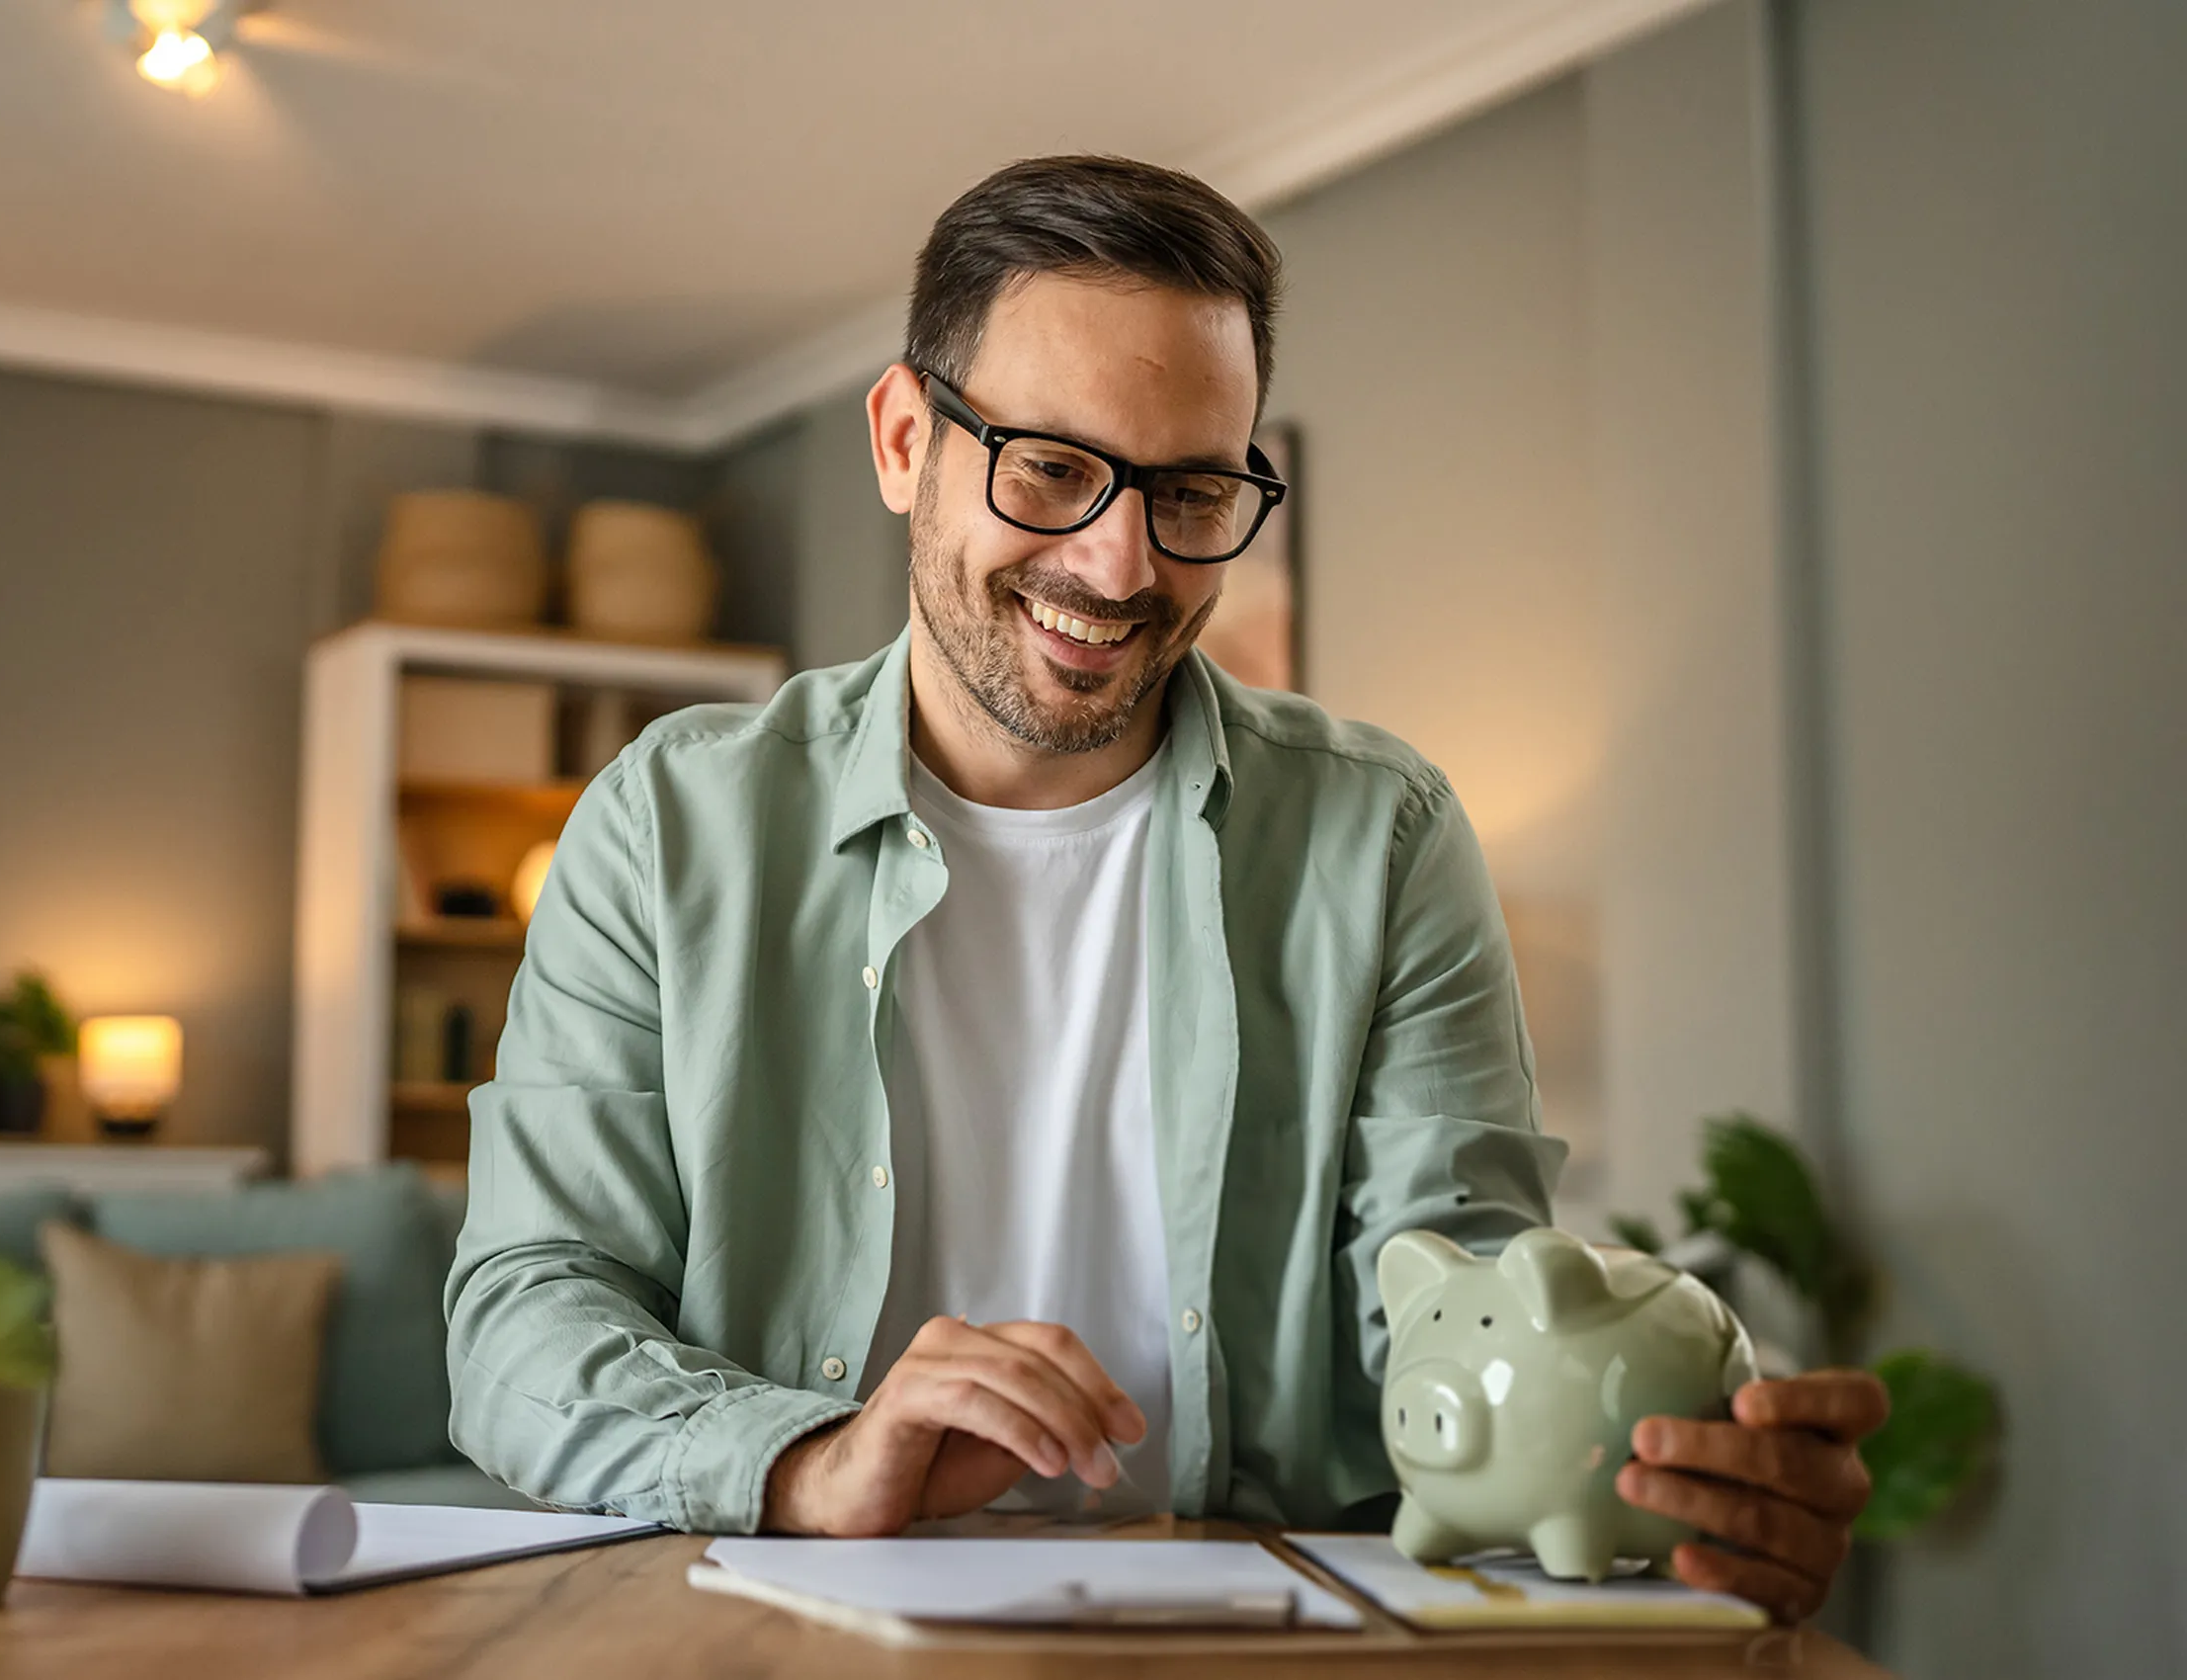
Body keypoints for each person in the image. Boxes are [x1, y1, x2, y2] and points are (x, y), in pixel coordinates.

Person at [443, 155, 1883, 1622]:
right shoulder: (668, 823)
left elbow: (1454, 1305)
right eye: (1053, 468)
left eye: (1191, 488)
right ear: (900, 441)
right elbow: (526, 1312)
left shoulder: (1380, 837)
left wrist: (1648, 1457)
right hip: (781, 1635)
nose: (1120, 563)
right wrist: (813, 1458)